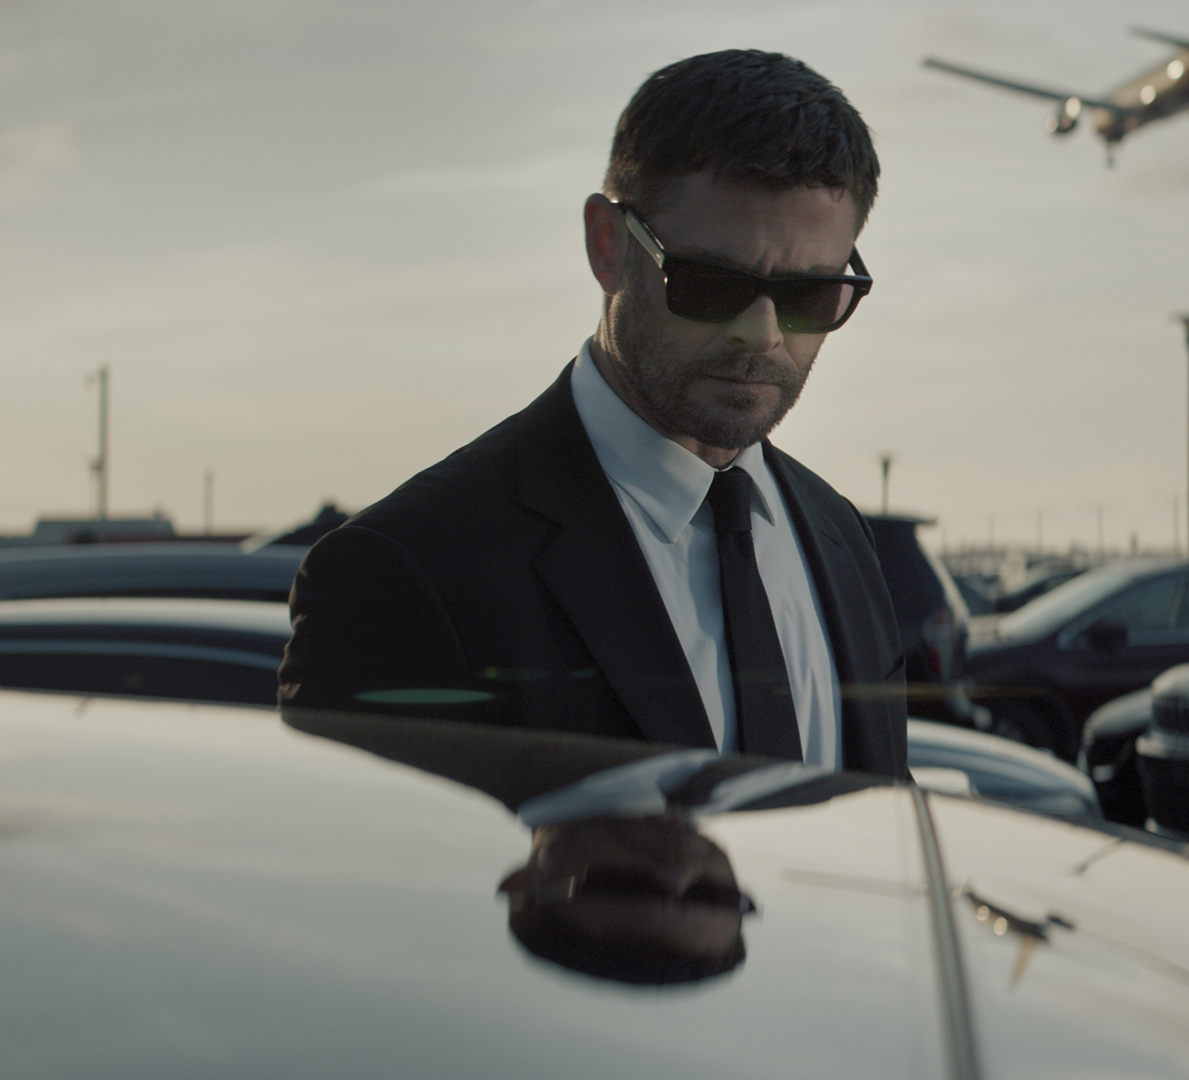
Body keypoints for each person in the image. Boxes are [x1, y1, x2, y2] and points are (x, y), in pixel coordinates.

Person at [279, 50, 906, 778]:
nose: (762, 334)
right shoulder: (406, 572)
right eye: (709, 284)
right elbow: (370, 885)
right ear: (608, 246)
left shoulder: (839, 538)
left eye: (811, 296)